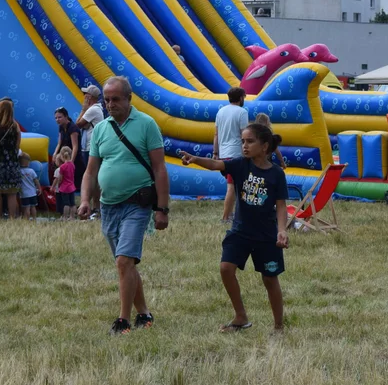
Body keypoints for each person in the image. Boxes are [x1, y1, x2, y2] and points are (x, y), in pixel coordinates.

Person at [78, 76, 170, 336]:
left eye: (116, 99)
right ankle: (144, 314)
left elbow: (159, 169)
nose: (110, 105)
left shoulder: (146, 124)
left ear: (129, 99)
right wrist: (85, 200)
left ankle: (123, 321)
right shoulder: (100, 129)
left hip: (138, 203)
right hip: (108, 206)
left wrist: (162, 209)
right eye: (107, 100)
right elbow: (90, 171)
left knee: (122, 262)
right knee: (126, 264)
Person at [179, 123, 289, 332]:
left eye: (250, 141)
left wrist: (281, 230)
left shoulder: (276, 174)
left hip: (266, 235)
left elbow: (281, 205)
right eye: (242, 142)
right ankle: (240, 317)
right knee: (225, 268)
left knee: (269, 278)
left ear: (265, 146)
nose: (244, 146)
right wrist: (195, 159)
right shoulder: (240, 165)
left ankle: (278, 326)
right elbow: (215, 164)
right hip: (240, 232)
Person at [215, 87, 249, 224]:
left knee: (235, 186)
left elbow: (216, 135)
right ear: (241, 98)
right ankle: (226, 217)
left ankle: (235, 214)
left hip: (224, 154)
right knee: (232, 186)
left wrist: (215, 153)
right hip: (236, 154)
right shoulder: (242, 112)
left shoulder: (220, 112)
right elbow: (245, 135)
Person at [0, 99, 22, 220]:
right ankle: (12, 217)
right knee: (12, 193)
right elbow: (17, 146)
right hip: (12, 163)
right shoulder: (15, 126)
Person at [76, 84, 106, 217]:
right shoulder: (97, 109)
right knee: (94, 176)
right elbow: (86, 124)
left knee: (92, 177)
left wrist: (83, 108)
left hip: (90, 147)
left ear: (90, 97)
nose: (84, 97)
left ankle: (95, 207)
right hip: (91, 146)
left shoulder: (92, 109)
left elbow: (78, 123)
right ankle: (96, 207)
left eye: (86, 95)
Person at [52, 106, 81, 192]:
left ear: (66, 116)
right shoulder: (61, 127)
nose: (57, 120)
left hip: (73, 156)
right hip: (64, 155)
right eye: (56, 118)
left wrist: (71, 161)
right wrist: (55, 153)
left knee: (74, 183)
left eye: (60, 117)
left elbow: (75, 146)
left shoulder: (73, 128)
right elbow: (60, 142)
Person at [54, 146, 77, 220]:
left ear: (61, 155)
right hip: (72, 186)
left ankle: (64, 217)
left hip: (64, 187)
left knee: (66, 203)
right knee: (72, 203)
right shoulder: (72, 165)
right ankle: (72, 216)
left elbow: (60, 178)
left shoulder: (62, 167)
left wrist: (59, 184)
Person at [19, 153, 42, 219]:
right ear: (27, 163)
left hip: (24, 194)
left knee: (27, 208)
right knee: (33, 207)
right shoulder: (31, 171)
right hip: (32, 193)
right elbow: (36, 180)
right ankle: (34, 218)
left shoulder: (19, 172)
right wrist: (39, 188)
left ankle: (27, 219)